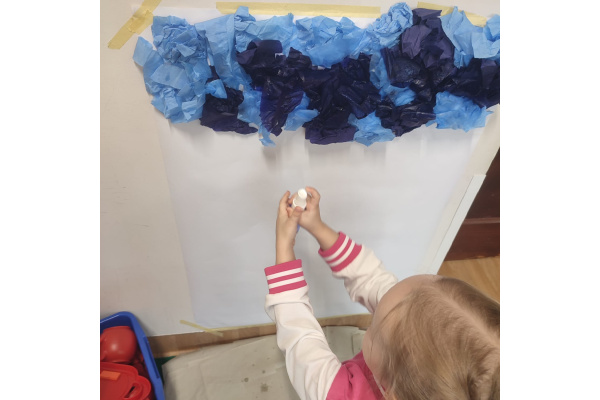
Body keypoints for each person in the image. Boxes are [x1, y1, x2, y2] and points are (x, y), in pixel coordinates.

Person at [264, 187, 500, 400]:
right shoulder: (407, 343)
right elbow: (372, 279)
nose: (381, 302)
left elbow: (300, 339)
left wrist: (284, 244)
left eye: (373, 326)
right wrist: (317, 227)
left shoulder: (336, 394)